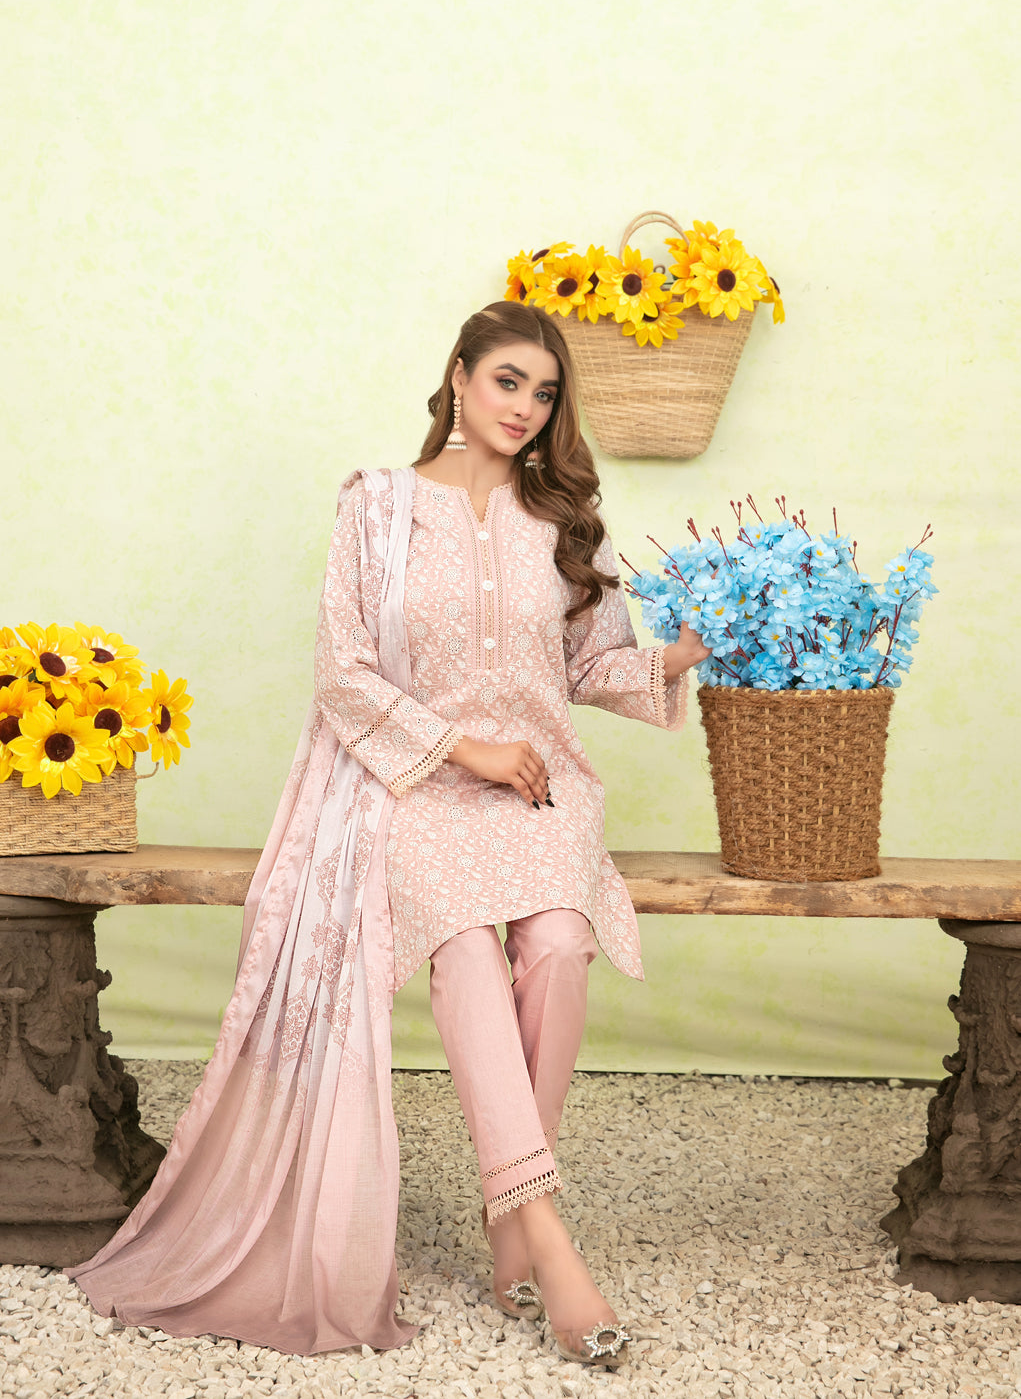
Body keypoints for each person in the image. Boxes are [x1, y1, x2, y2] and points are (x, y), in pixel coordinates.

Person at [64, 300, 709, 1368]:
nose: (523, 407)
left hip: (541, 790)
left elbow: (587, 668)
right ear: (458, 377)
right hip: (414, 785)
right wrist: (465, 749)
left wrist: (671, 659)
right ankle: (542, 1232)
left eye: (543, 392)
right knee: (465, 950)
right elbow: (343, 672)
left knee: (558, 945)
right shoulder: (378, 506)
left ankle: (512, 1209)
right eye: (506, 381)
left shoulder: (564, 518)